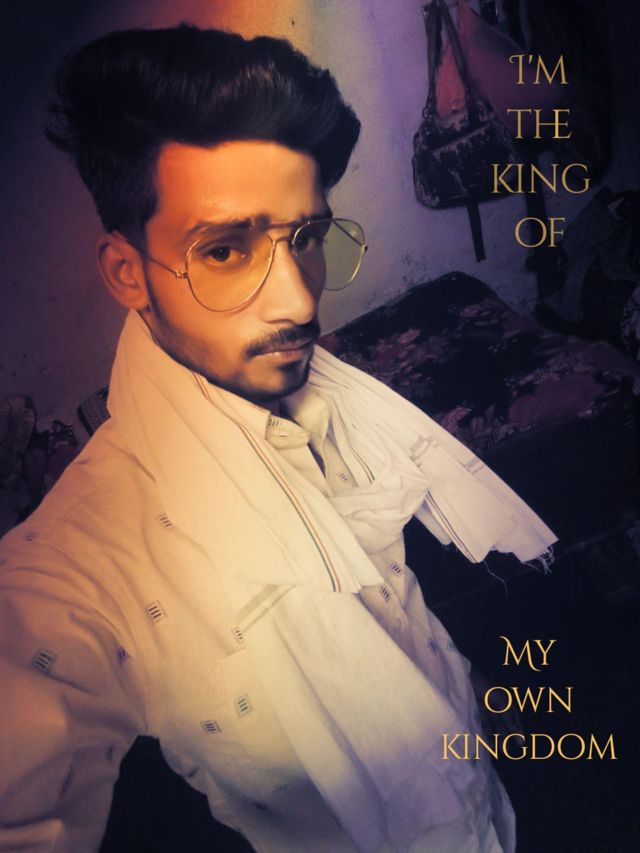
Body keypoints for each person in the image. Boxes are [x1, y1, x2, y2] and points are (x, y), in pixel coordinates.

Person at [0, 24, 556, 852]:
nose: (298, 301)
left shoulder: (333, 402)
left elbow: (388, 598)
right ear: (127, 273)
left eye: (307, 238)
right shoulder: (84, 561)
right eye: (226, 250)